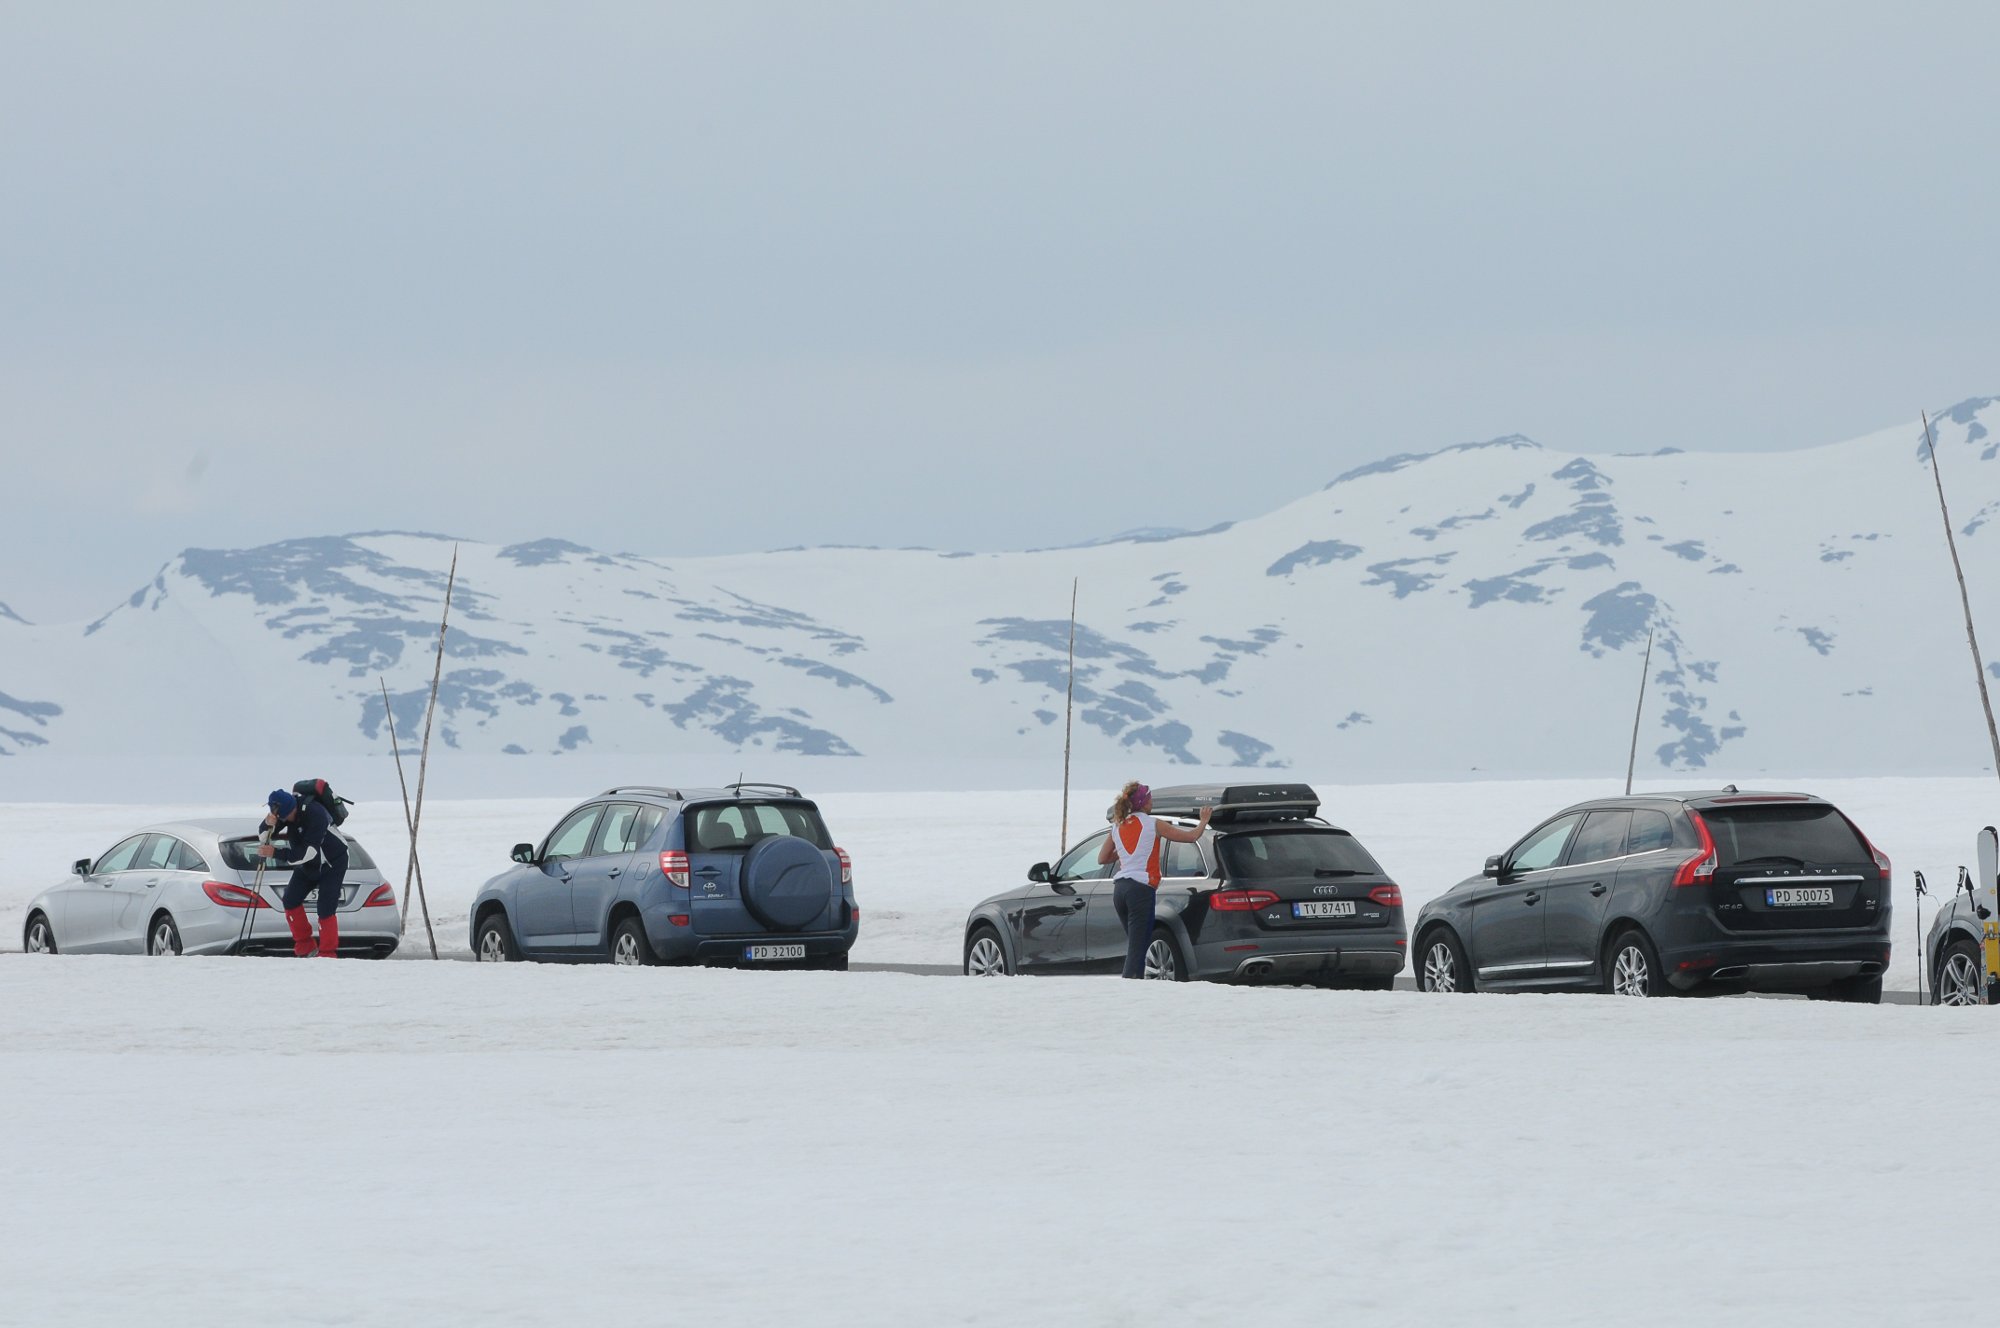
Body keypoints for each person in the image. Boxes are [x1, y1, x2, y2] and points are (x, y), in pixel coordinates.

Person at [1096, 781, 1211, 979]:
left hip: (1120, 890)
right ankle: (1131, 988)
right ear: (1143, 802)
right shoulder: (1153, 824)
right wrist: (1203, 820)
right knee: (1138, 949)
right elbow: (1191, 837)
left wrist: (1124, 853)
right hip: (1140, 890)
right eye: (1150, 799)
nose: (1152, 802)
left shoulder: (1118, 825)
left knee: (1136, 945)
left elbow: (1102, 858)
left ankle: (1134, 986)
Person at [260, 788, 349, 958]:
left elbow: (310, 852)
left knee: (326, 907)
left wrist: (276, 853)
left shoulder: (315, 813)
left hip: (332, 862)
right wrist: (267, 823)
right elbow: (264, 838)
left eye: (286, 816)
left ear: (293, 808)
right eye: (282, 818)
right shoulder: (285, 813)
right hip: (309, 864)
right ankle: (305, 946)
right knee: (290, 900)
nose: (286, 820)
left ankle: (327, 954)